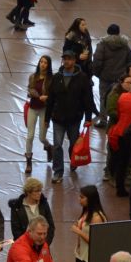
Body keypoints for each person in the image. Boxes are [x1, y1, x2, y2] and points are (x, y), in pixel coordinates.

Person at [46, 50, 96, 183]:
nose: (67, 61)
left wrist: (88, 118)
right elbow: (50, 99)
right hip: (57, 118)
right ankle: (58, 172)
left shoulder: (82, 78)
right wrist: (46, 119)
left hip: (74, 119)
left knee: (74, 143)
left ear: (74, 61)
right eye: (65, 59)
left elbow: (87, 99)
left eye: (69, 59)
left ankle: (73, 159)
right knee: (57, 145)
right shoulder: (57, 78)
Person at [71, 185, 108, 262]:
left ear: (90, 199)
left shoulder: (96, 217)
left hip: (89, 258)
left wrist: (78, 231)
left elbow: (96, 241)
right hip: (80, 255)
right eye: (80, 196)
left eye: (82, 197)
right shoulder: (86, 211)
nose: (79, 199)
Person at [24, 56, 54, 174]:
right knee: (29, 136)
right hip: (33, 108)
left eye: (45, 62)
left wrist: (47, 97)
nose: (42, 64)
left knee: (42, 137)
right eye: (41, 62)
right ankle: (28, 161)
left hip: (44, 109)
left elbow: (53, 94)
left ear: (48, 65)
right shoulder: (33, 77)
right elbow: (29, 89)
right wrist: (37, 96)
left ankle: (48, 147)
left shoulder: (51, 79)